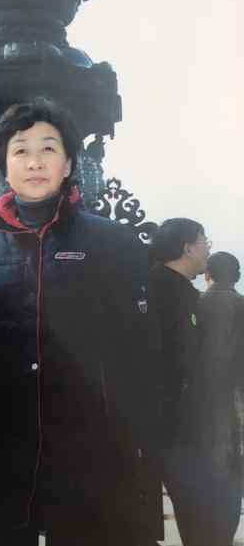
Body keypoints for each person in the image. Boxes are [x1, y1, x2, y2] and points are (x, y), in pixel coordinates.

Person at [0, 97, 161, 546]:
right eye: (21, 150)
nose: (35, 161)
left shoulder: (112, 242)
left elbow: (143, 350)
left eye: (48, 148)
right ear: (4, 167)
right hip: (8, 451)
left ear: (68, 164)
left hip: (90, 452)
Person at [148, 217, 210, 545]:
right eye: (204, 241)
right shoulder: (158, 290)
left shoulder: (180, 291)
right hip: (168, 426)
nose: (208, 248)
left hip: (175, 425)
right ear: (187, 248)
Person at [188, 252, 244, 546]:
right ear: (236, 275)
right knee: (232, 473)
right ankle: (223, 535)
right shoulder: (241, 305)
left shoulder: (196, 303)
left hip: (200, 399)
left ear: (208, 274)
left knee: (207, 471)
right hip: (235, 399)